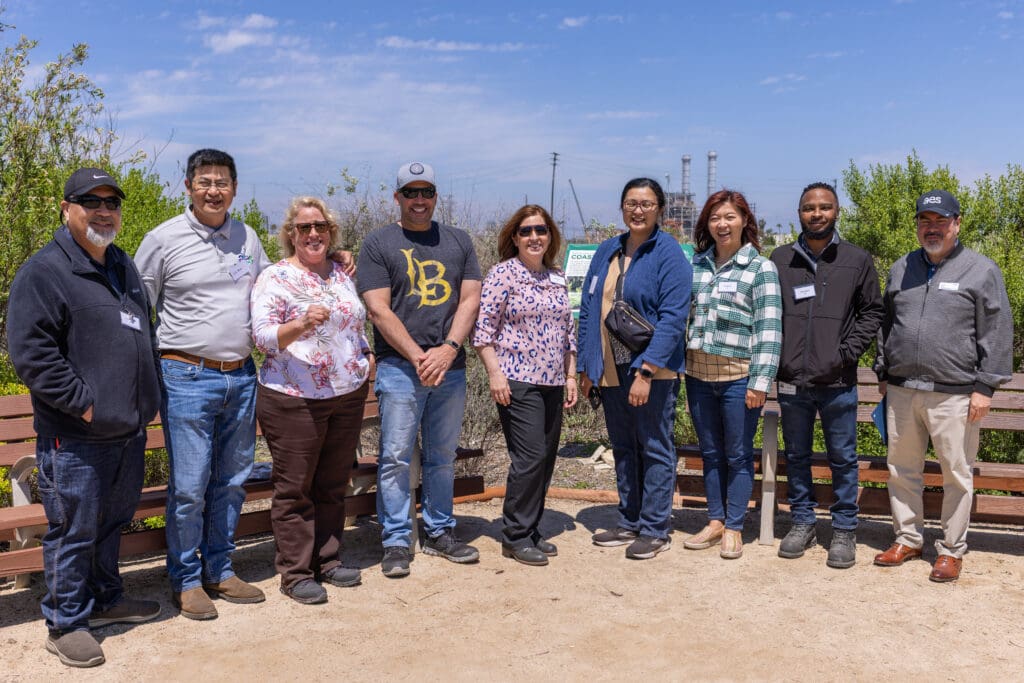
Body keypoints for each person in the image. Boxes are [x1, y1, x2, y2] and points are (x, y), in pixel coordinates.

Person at [135, 148, 352, 619]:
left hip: (241, 377)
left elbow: (279, 281)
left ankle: (219, 569)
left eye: (223, 182)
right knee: (190, 485)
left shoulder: (247, 237)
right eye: (204, 181)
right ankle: (187, 579)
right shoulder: (162, 238)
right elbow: (137, 308)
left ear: (235, 188)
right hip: (185, 374)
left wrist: (332, 256)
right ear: (188, 185)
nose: (214, 190)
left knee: (231, 482)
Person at [7, 168, 162, 667]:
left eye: (111, 202)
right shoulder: (44, 272)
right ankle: (66, 621)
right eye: (90, 201)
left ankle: (106, 600)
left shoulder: (122, 265)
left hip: (128, 430)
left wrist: (146, 397)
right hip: (75, 437)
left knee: (111, 523)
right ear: (65, 208)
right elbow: (31, 354)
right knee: (73, 529)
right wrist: (83, 401)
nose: (103, 211)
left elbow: (145, 335)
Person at [873, 189, 1013, 582]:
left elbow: (998, 332)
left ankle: (951, 550)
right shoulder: (901, 268)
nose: (931, 228)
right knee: (902, 469)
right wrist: (883, 371)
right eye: (924, 221)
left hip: (956, 393)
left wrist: (986, 387)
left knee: (956, 473)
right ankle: (907, 538)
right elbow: (887, 325)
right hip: (902, 390)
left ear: (957, 223)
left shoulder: (981, 270)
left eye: (940, 221)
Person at [356, 161, 482, 578]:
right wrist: (417, 356)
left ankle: (439, 531)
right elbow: (378, 308)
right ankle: (396, 540)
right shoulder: (379, 243)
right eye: (411, 192)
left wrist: (447, 349)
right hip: (399, 368)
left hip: (450, 367)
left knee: (442, 456)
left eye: (426, 192)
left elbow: (469, 300)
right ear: (397, 197)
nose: (419, 200)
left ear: (435, 196)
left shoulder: (458, 241)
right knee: (394, 457)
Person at [251, 197, 372, 604]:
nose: (313, 234)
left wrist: (366, 354)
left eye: (320, 226)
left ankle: (329, 559)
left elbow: (353, 322)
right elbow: (263, 338)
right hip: (294, 397)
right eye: (304, 228)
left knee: (333, 483)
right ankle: (296, 572)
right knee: (295, 488)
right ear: (291, 234)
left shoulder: (341, 273)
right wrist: (300, 323)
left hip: (346, 394)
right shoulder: (275, 277)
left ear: (331, 232)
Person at [770, 182, 884, 568]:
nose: (816, 213)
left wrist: (846, 353)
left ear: (837, 211)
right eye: (808, 208)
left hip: (837, 382)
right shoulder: (780, 259)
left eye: (824, 207)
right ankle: (802, 522)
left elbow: (873, 312)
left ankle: (844, 529)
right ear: (798, 213)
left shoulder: (857, 259)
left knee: (842, 458)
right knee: (797, 455)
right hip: (791, 380)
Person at [579, 178, 692, 560]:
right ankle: (629, 519)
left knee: (655, 446)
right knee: (624, 447)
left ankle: (655, 527)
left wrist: (645, 372)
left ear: (659, 208)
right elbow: (588, 308)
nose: (638, 210)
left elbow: (674, 319)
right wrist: (586, 364)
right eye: (631, 203)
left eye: (645, 203)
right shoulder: (607, 250)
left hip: (651, 371)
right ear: (622, 208)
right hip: (610, 369)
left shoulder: (669, 253)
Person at [472, 205, 578, 566]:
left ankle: (532, 529)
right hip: (517, 380)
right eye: (527, 231)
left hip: (552, 381)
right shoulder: (503, 274)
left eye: (542, 230)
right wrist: (495, 375)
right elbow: (483, 332)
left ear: (550, 236)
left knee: (546, 460)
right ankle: (515, 536)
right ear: (514, 237)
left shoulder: (557, 276)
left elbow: (568, 332)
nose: (535, 237)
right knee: (529, 457)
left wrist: (571, 375)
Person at [683, 190, 782, 560]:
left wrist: (759, 383)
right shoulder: (696, 265)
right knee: (710, 452)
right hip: (698, 376)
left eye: (729, 217)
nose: (722, 225)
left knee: (738, 455)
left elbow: (768, 330)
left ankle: (736, 526)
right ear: (707, 224)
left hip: (739, 379)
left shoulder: (760, 269)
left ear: (744, 221)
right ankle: (715, 520)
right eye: (714, 218)